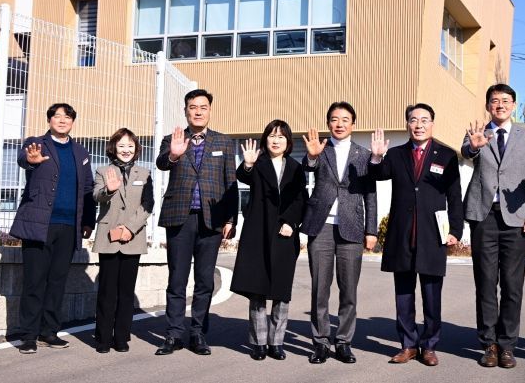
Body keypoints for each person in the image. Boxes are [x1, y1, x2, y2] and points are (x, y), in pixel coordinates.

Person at [368, 103, 463, 367]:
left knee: (432, 295)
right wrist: (376, 157)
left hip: (433, 234)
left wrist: (456, 230)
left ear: (432, 123)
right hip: (402, 234)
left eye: (424, 120)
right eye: (413, 120)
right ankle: (408, 345)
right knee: (403, 295)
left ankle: (429, 346)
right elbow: (378, 175)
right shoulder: (396, 154)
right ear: (407, 124)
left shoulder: (446, 155)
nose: (418, 125)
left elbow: (454, 195)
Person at [463, 84, 525, 369]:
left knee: (512, 285)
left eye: (505, 100)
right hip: (483, 216)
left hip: (516, 218)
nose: (500, 105)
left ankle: (507, 345)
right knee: (485, 283)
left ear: (514, 105)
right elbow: (466, 153)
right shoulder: (477, 132)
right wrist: (474, 147)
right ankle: (489, 344)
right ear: (488, 106)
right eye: (495, 101)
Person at [154, 89, 238, 356]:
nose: (198, 111)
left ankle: (198, 333)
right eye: (193, 107)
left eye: (203, 107)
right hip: (180, 217)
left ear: (210, 110)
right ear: (186, 111)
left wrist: (231, 218)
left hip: (212, 219)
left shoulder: (224, 142)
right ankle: (173, 334)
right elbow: (161, 164)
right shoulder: (173, 139)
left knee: (205, 281)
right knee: (177, 279)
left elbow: (231, 182)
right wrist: (174, 154)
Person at [10, 103, 96, 354]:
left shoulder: (80, 151)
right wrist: (30, 160)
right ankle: (28, 335)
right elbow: (24, 159)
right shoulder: (36, 143)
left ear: (72, 122)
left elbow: (88, 189)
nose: (62, 120)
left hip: (69, 226)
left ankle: (49, 332)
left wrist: (88, 221)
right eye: (57, 116)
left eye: (67, 117)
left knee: (57, 282)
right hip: (39, 225)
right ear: (49, 120)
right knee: (34, 281)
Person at [301, 102, 378, 364]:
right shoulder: (320, 149)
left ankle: (344, 342)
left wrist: (371, 230)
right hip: (320, 225)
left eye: (345, 119)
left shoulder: (364, 155)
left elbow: (370, 194)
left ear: (353, 124)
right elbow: (307, 168)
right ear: (328, 123)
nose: (339, 124)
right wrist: (312, 157)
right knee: (319, 289)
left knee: (349, 290)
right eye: (334, 119)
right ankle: (321, 342)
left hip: (352, 226)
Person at [230, 120, 306, 361]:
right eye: (272, 136)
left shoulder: (295, 167)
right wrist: (248, 164)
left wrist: (291, 222)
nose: (276, 140)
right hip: (258, 233)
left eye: (281, 136)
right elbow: (243, 176)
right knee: (258, 290)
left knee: (281, 293)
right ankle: (259, 343)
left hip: (284, 234)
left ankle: (277, 342)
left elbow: (301, 198)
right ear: (265, 139)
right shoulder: (258, 163)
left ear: (288, 142)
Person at [92, 128, 154, 353]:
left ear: (136, 149)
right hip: (108, 238)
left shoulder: (144, 173)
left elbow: (148, 204)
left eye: (130, 146)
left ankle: (121, 337)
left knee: (127, 292)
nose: (126, 150)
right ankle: (103, 338)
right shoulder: (102, 171)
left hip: (133, 238)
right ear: (113, 148)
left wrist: (130, 228)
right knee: (107, 291)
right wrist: (108, 190)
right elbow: (96, 196)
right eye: (121, 146)